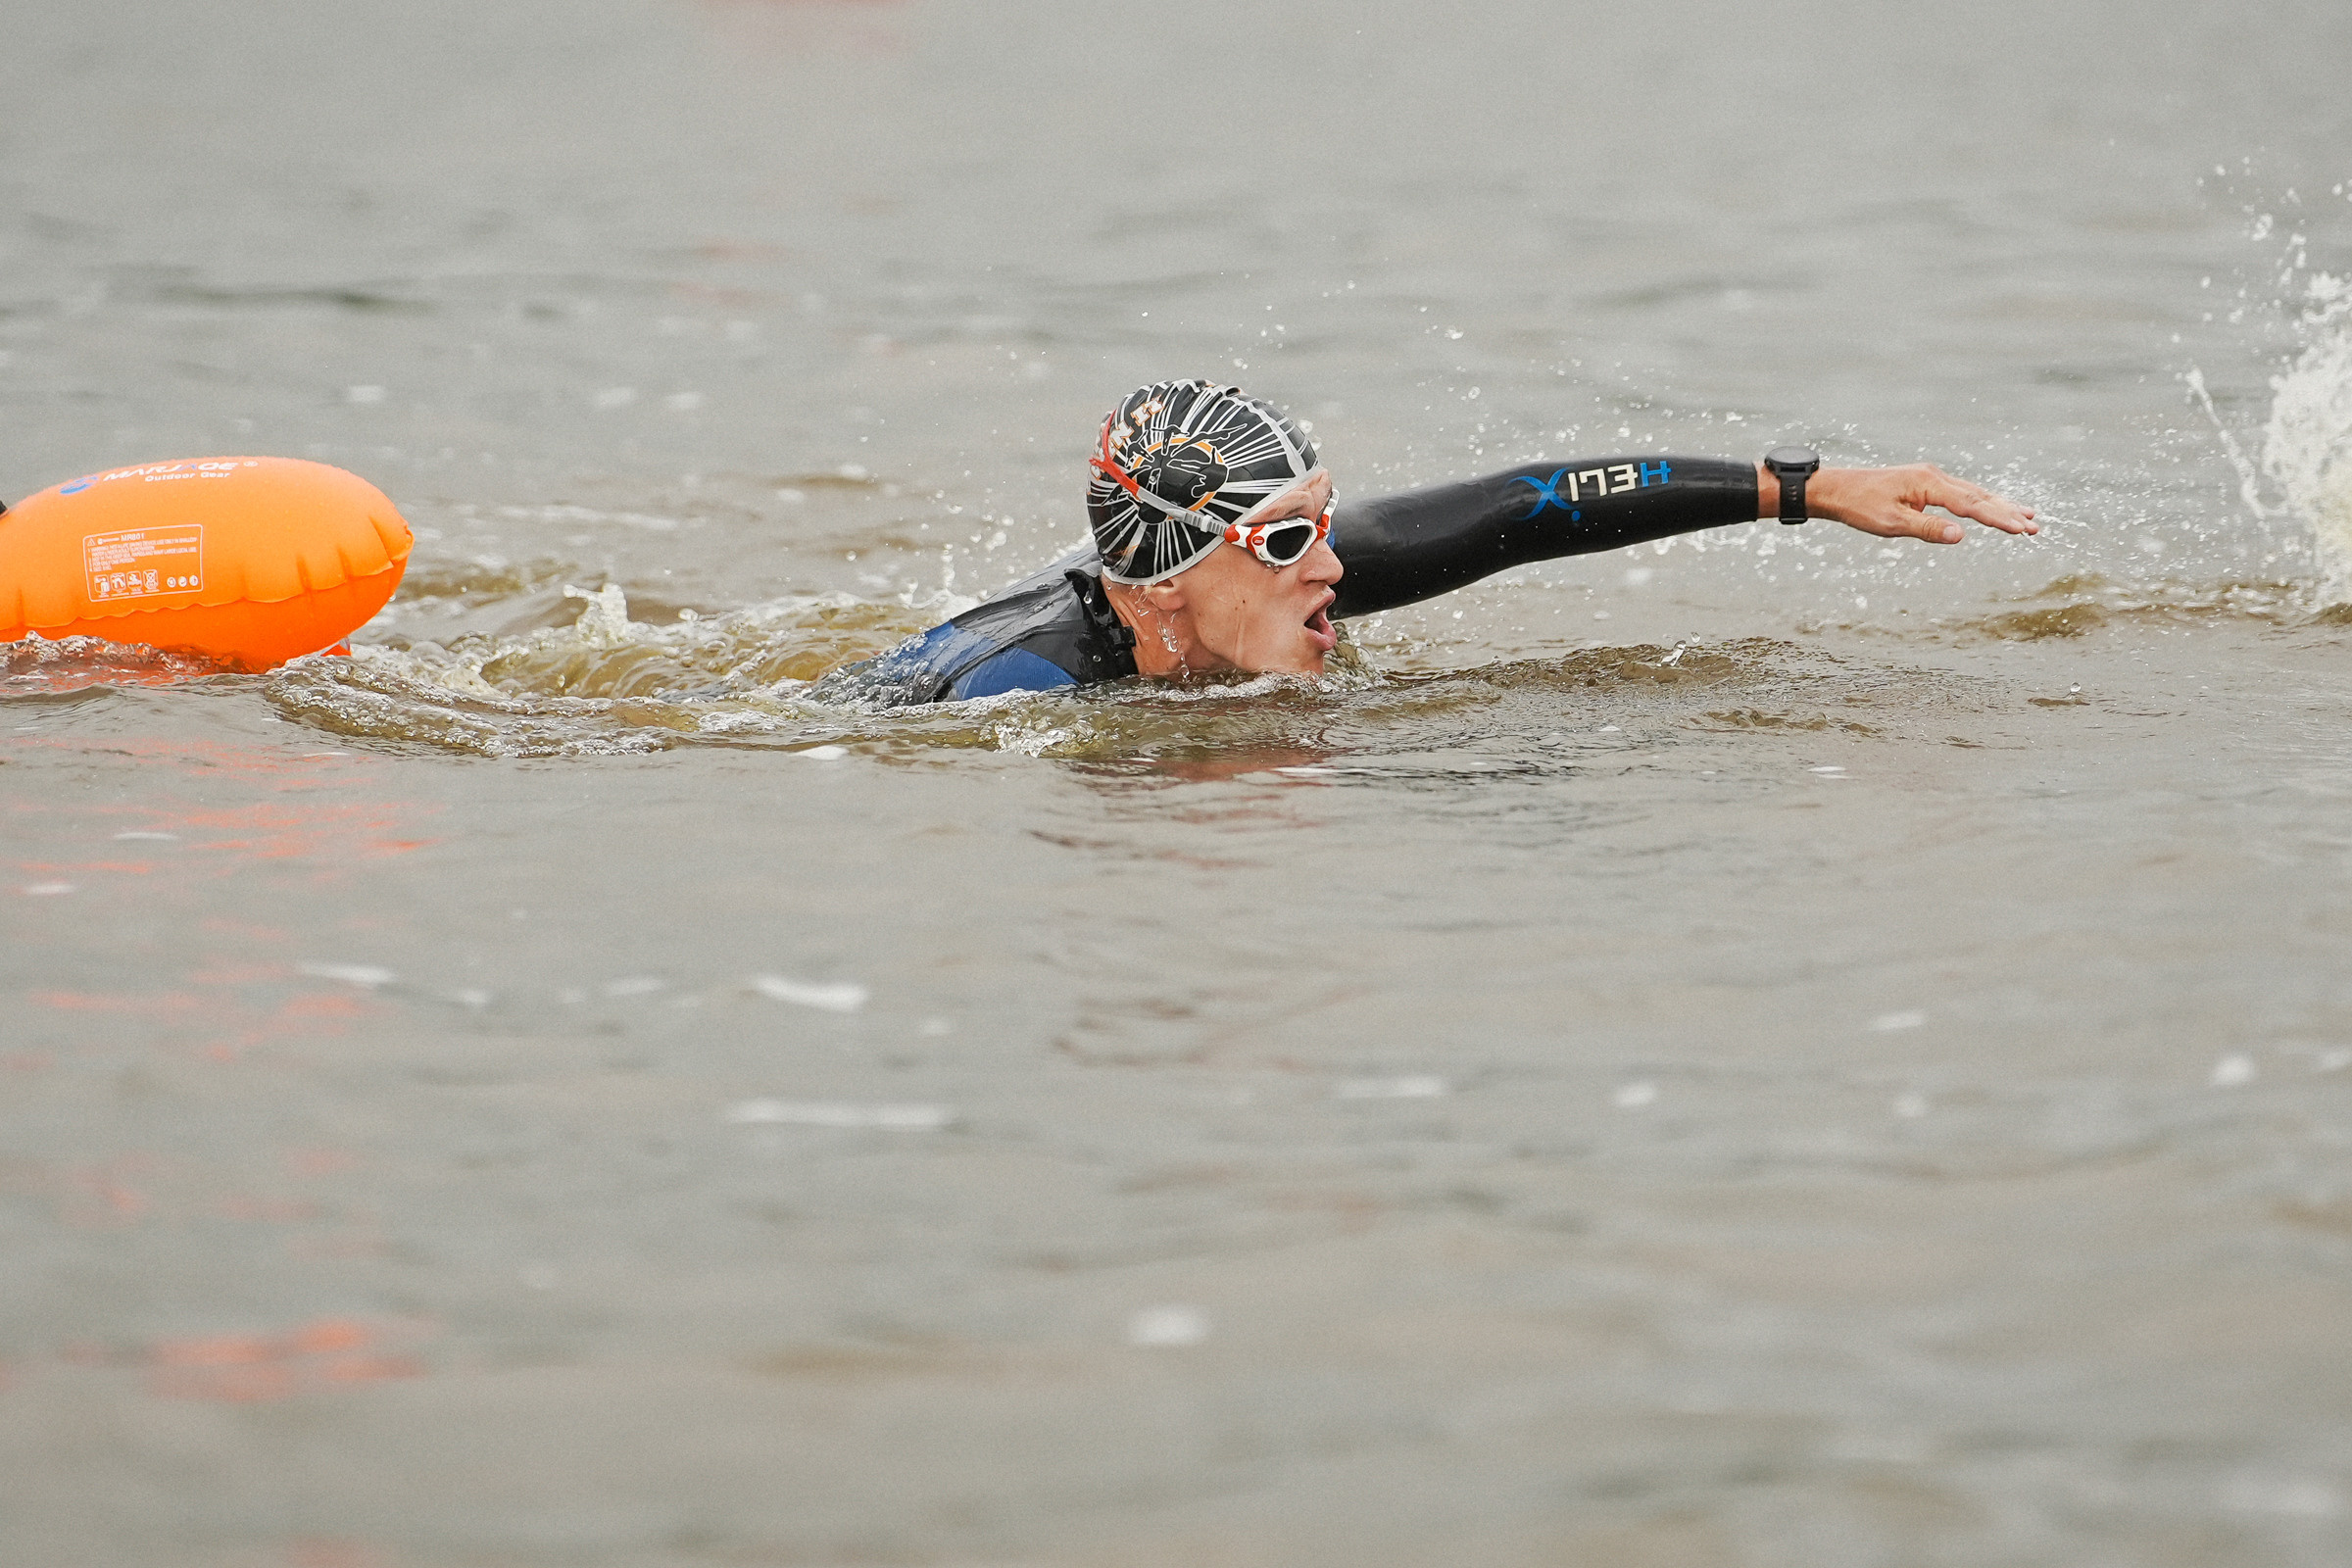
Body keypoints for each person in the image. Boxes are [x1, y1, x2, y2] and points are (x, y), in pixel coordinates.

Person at [822, 378, 2037, 706]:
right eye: (1293, 537)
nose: (1336, 565)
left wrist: (1809, 487)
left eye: (1327, 523)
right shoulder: (1014, 689)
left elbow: (1520, 507)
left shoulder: (1238, 597)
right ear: (1174, 581)